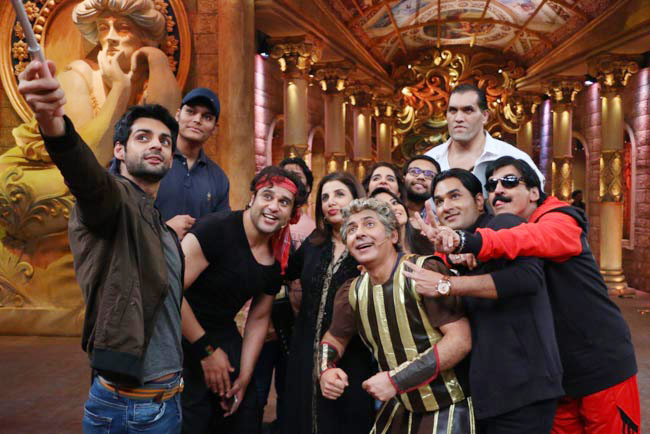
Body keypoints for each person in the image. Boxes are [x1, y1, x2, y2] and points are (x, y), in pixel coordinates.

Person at [19, 59, 184, 432]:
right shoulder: (112, 202)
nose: (156, 145)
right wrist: (54, 124)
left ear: (172, 159)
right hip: (128, 410)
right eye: (143, 137)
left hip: (167, 401)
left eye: (165, 141)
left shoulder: (158, 225)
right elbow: (88, 179)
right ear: (120, 151)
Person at [423, 156, 640, 434]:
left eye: (509, 181)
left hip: (600, 364)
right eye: (492, 185)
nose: (498, 190)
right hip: (556, 375)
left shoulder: (560, 218)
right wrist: (457, 254)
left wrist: (471, 244)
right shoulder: (498, 231)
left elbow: (530, 239)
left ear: (535, 192)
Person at [409, 168, 564, 433]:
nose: (446, 207)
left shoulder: (503, 224)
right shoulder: (461, 250)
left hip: (522, 388)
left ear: (479, 201)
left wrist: (446, 284)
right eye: (440, 201)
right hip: (490, 391)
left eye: (455, 196)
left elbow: (529, 278)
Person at [319, 198, 473, 434]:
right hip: (401, 407)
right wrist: (326, 369)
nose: (359, 233)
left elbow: (460, 340)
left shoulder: (423, 273)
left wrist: (396, 380)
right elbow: (334, 338)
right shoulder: (351, 291)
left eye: (369, 224)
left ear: (393, 236)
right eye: (351, 229)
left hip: (450, 405)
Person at [179, 166, 308, 433]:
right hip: (179, 333)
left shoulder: (275, 259)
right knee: (193, 420)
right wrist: (206, 351)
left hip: (223, 335)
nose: (273, 206)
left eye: (284, 202)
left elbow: (259, 318)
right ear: (252, 198)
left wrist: (246, 376)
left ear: (291, 215)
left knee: (245, 413)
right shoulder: (216, 229)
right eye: (267, 196)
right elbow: (169, 292)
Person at [283, 172, 375, 434]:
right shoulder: (314, 244)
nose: (330, 202)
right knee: (302, 415)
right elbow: (284, 273)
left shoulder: (367, 244)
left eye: (339, 194)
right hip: (304, 347)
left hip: (351, 351)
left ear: (356, 199)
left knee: (344, 418)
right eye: (324, 197)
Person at [251, 157, 316, 433]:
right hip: (261, 316)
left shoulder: (313, 229)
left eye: (297, 178)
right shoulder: (262, 223)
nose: (290, 181)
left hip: (294, 319)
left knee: (290, 388)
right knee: (256, 385)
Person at [424, 84, 543, 190]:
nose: (458, 118)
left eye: (468, 110)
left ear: (485, 116)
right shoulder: (430, 160)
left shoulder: (513, 157)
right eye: (453, 110)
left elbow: (538, 201)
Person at [156, 88, 230, 240]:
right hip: (147, 252)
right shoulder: (153, 159)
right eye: (190, 112)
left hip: (196, 255)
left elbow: (222, 231)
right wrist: (165, 231)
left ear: (215, 128)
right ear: (178, 115)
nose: (197, 120)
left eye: (207, 117)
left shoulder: (219, 178)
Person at [370, 188, 435, 255]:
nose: (394, 208)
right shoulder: (378, 254)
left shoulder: (426, 239)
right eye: (385, 208)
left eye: (394, 202)